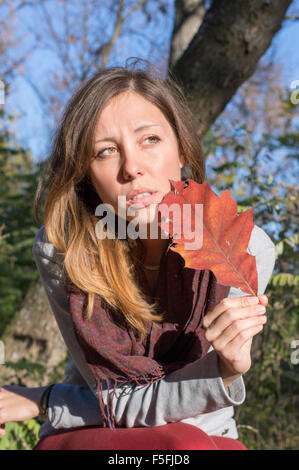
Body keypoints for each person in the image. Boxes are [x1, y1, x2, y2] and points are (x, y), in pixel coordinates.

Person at [0, 59, 275, 450]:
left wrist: (46, 400)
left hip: (205, 435)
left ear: (182, 151)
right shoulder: (64, 249)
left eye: (150, 140)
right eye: (106, 151)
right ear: (86, 176)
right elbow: (114, 397)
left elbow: (201, 408)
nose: (132, 167)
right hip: (97, 434)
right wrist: (217, 375)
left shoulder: (242, 249)